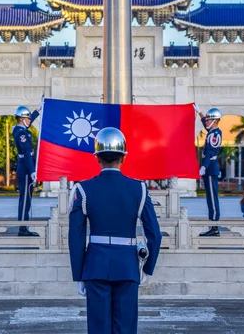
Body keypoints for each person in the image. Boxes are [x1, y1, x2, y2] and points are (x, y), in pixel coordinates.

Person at [68, 127, 162, 334]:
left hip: (96, 267)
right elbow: (154, 234)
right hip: (127, 267)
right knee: (126, 328)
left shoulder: (82, 190)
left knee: (99, 328)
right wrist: (148, 267)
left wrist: (79, 275)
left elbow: (75, 238)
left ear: (97, 158)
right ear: (124, 158)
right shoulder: (140, 189)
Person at [12, 103, 41, 236]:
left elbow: (29, 122)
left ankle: (23, 227)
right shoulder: (21, 133)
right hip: (25, 169)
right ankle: (22, 228)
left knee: (26, 199)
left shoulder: (20, 130)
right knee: (25, 200)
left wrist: (37, 111)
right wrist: (32, 171)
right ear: (22, 119)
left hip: (25, 169)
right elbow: (27, 153)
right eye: (28, 118)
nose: (30, 120)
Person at [194, 105, 222, 236]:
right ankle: (213, 224)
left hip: (210, 169)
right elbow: (205, 124)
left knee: (212, 198)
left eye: (208, 120)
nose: (206, 121)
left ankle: (215, 226)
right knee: (209, 198)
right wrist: (199, 113)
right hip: (208, 168)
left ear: (215, 121)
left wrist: (204, 166)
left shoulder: (215, 135)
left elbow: (210, 153)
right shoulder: (212, 132)